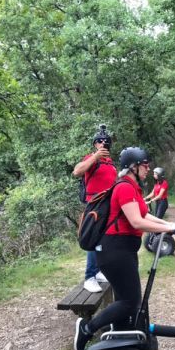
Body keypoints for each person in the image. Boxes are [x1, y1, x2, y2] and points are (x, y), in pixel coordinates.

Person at [73, 147, 175, 350]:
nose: (148, 169)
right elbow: (136, 221)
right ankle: (87, 328)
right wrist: (167, 228)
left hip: (122, 251)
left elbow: (144, 215)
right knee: (130, 302)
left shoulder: (132, 187)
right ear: (133, 166)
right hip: (114, 251)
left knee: (124, 298)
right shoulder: (124, 187)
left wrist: (167, 224)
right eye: (145, 165)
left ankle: (119, 337)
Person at [72, 124, 116, 292]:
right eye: (99, 141)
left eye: (106, 141)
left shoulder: (111, 164)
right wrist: (95, 156)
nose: (103, 143)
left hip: (108, 206)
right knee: (92, 239)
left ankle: (98, 272)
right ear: (95, 144)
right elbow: (77, 171)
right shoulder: (90, 158)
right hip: (94, 205)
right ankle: (89, 277)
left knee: (103, 241)